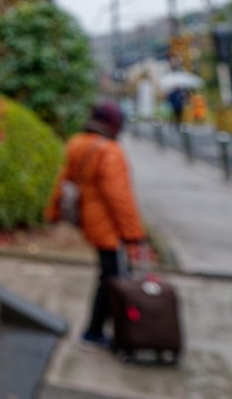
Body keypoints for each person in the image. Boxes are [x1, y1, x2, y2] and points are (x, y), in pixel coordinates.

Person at [46, 101, 147, 350]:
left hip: (89, 220)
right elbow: (119, 197)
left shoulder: (78, 142)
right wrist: (133, 234)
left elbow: (63, 181)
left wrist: (53, 212)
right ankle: (96, 332)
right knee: (112, 278)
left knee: (109, 276)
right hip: (107, 225)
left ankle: (100, 330)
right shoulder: (110, 151)